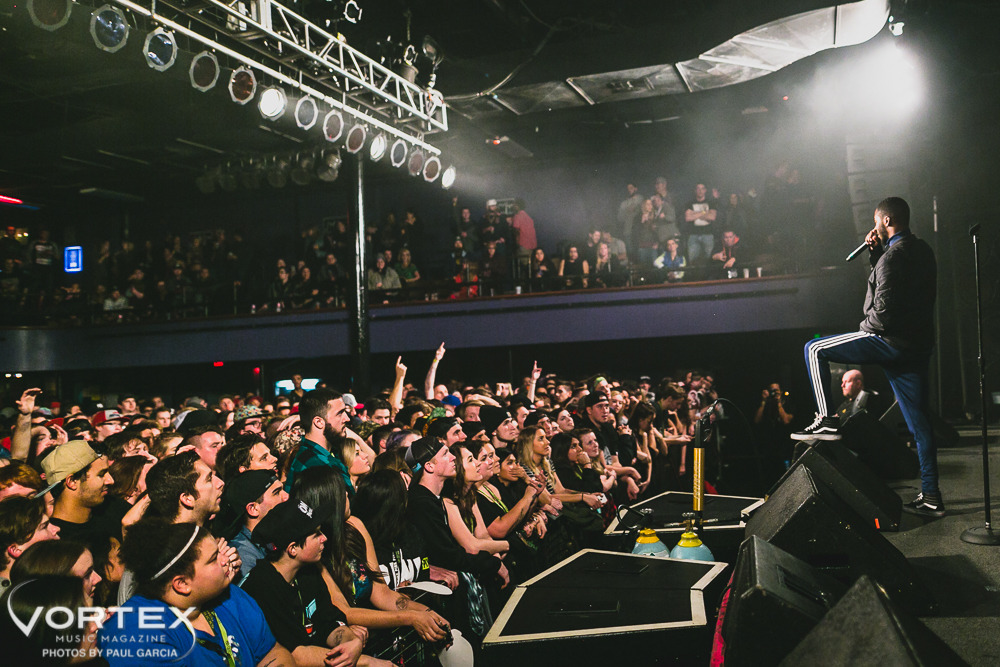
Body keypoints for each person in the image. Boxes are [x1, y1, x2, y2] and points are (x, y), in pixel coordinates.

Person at [792, 197, 943, 517]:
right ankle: (931, 495)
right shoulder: (922, 250)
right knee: (921, 425)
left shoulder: (892, 258)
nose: (873, 227)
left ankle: (827, 420)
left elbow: (883, 314)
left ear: (887, 220)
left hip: (888, 340)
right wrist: (877, 254)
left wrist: (864, 329)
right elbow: (902, 289)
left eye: (877, 221)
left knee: (813, 348)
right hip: (916, 347)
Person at [100, 520, 294, 666]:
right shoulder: (138, 635)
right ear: (182, 584)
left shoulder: (228, 595)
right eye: (213, 558)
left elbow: (275, 653)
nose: (226, 558)